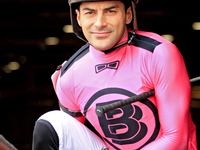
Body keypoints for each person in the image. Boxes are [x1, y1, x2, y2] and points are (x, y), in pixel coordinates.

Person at [32, 0, 197, 149]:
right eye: (90, 12)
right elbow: (69, 142)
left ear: (128, 14)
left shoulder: (159, 54)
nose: (100, 23)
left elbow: (176, 139)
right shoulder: (69, 75)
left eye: (110, 11)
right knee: (52, 121)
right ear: (79, 18)